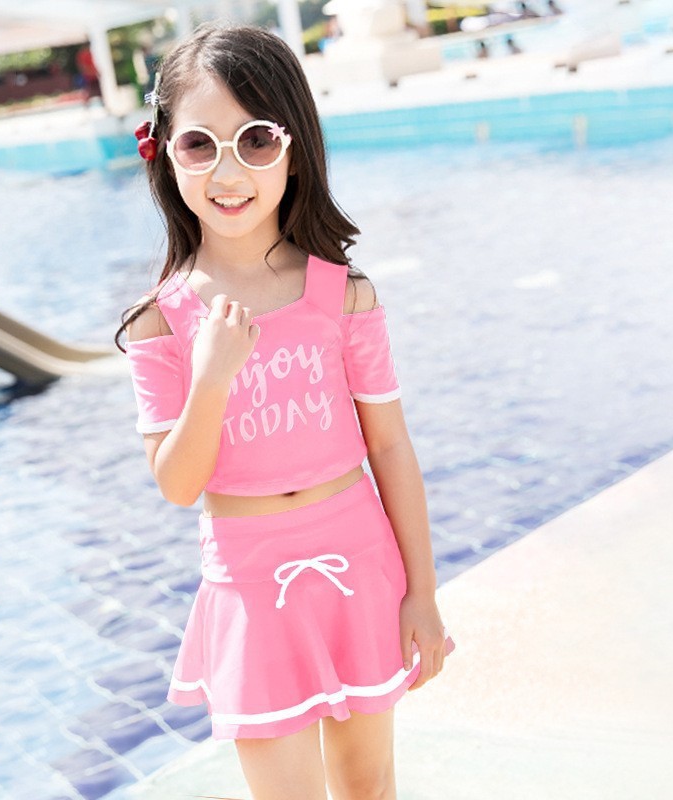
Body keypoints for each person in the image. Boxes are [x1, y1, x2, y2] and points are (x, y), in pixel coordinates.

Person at [114, 23, 455, 800]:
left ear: (294, 148)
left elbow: (390, 448)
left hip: (358, 563)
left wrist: (422, 591)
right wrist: (211, 378)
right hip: (251, 586)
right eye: (200, 144)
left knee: (369, 787)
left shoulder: (344, 295)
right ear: (166, 153)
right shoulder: (161, 322)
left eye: (257, 139)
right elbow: (178, 485)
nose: (229, 170)